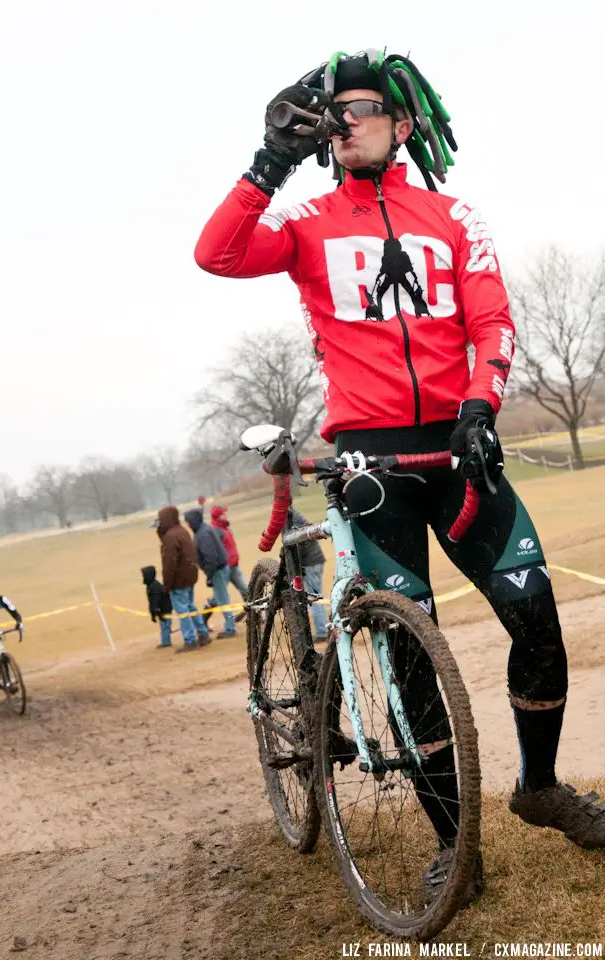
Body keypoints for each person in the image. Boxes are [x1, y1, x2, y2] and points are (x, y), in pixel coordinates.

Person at [195, 48, 605, 897]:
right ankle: (457, 845)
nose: (343, 123)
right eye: (331, 113)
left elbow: (492, 318)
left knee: (534, 611)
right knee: (413, 653)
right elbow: (218, 254)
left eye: (361, 110)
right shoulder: (307, 220)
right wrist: (266, 163)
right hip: (371, 463)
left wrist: (482, 405)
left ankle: (540, 787)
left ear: (403, 123)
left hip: (459, 448)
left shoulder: (454, 214)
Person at [151, 506, 210, 652]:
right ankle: (203, 633)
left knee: (182, 611)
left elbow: (169, 563)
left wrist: (167, 584)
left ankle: (190, 640)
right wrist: (160, 532)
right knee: (190, 606)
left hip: (178, 580)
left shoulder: (171, 537)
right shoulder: (182, 531)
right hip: (190, 577)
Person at [184, 508, 237, 638]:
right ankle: (204, 621)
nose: (188, 525)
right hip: (221, 568)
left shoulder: (203, 534)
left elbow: (211, 557)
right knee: (218, 597)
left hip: (217, 570)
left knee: (223, 600)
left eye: (189, 522)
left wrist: (209, 575)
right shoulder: (204, 529)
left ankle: (230, 628)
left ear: (193, 521)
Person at [290, 507, 328, 641]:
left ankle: (323, 631)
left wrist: (293, 566)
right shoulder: (294, 516)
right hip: (314, 561)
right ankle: (323, 628)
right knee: (315, 597)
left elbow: (298, 546)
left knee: (314, 598)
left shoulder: (291, 520)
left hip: (311, 564)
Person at [210, 505, 248, 601]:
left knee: (247, 591)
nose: (226, 515)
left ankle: (254, 614)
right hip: (224, 569)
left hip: (234, 567)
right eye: (223, 514)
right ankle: (204, 616)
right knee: (217, 598)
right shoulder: (215, 531)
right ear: (217, 516)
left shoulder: (225, 528)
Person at [141, 565, 174, 649]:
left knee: (164, 625)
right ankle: (166, 639)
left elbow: (155, 601)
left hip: (164, 609)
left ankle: (166, 642)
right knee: (165, 625)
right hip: (164, 608)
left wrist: (155, 611)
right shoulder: (152, 585)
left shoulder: (154, 586)